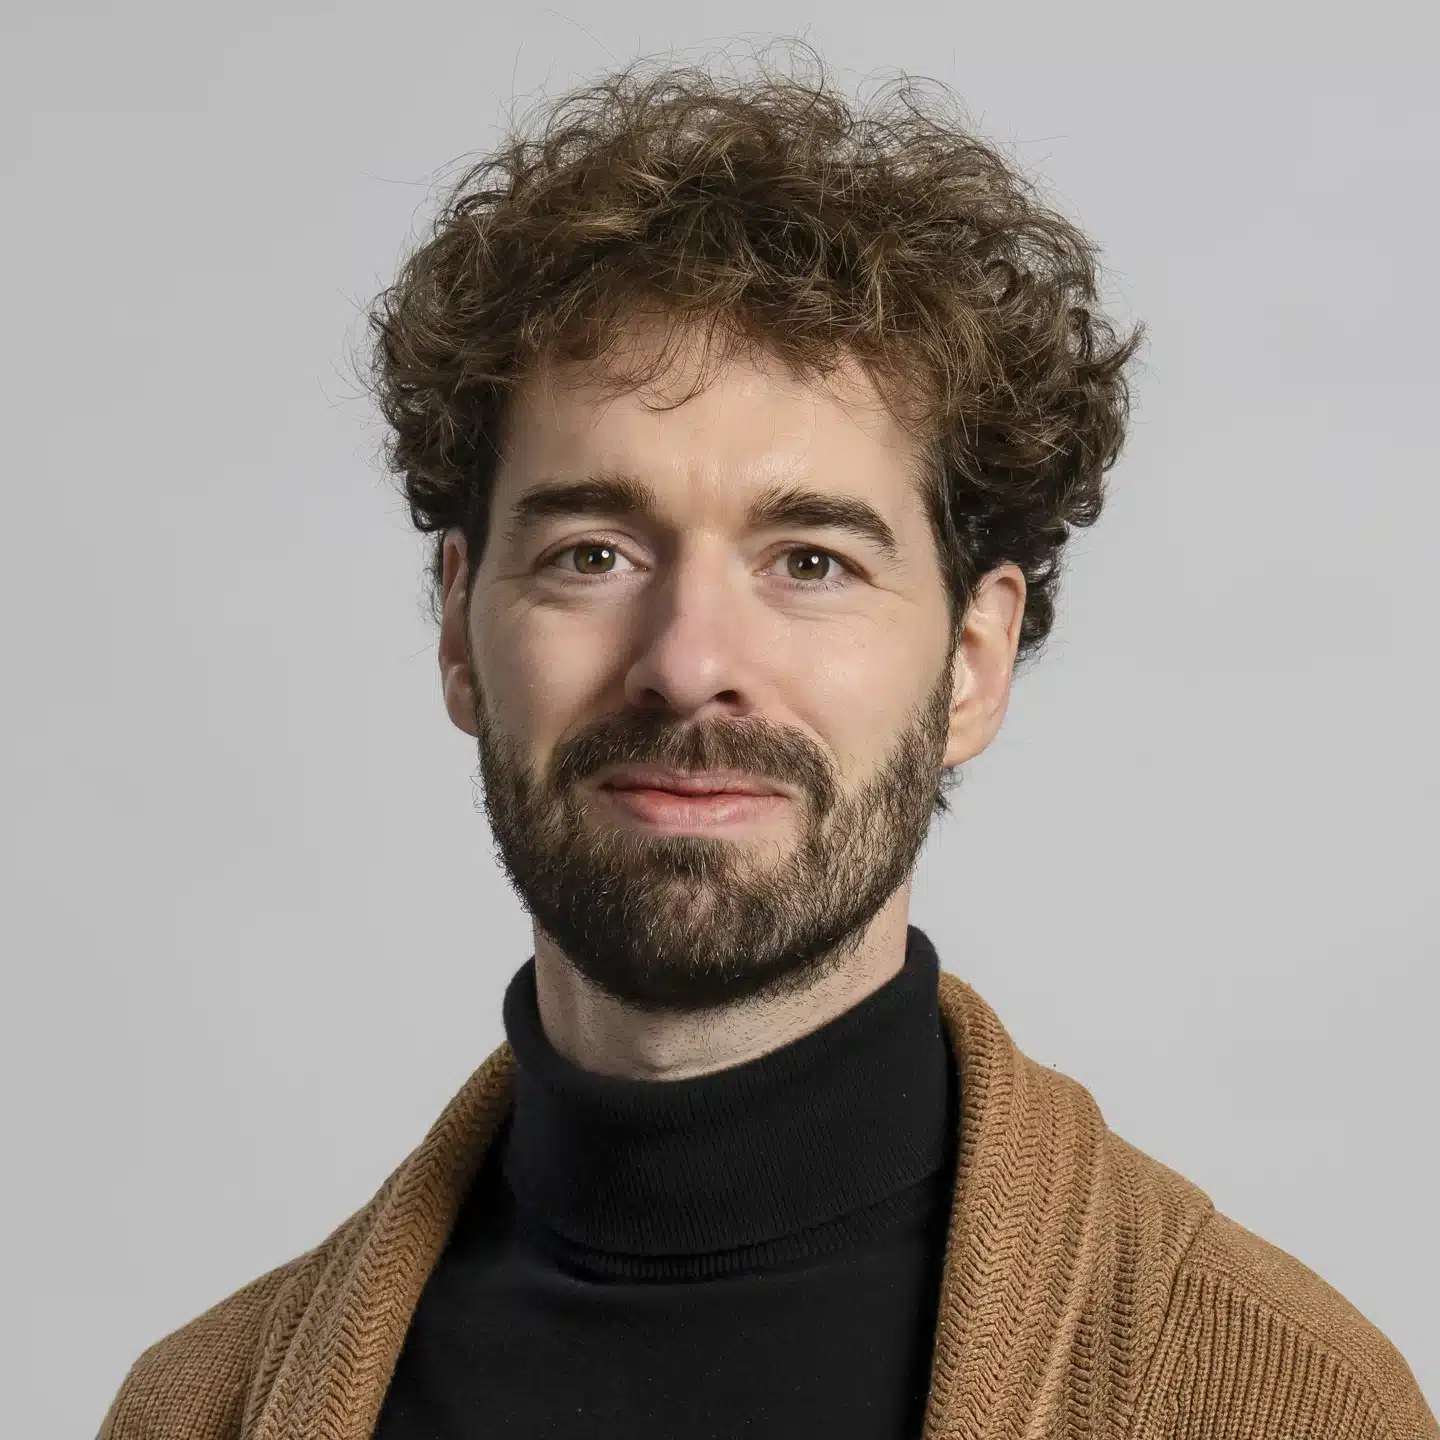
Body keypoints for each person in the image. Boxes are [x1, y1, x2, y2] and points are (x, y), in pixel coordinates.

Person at [98, 48, 1435, 1440]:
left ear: (973, 663)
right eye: (594, 553)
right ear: (457, 625)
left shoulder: (1281, 1400)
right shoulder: (199, 1409)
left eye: (810, 562)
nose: (689, 665)